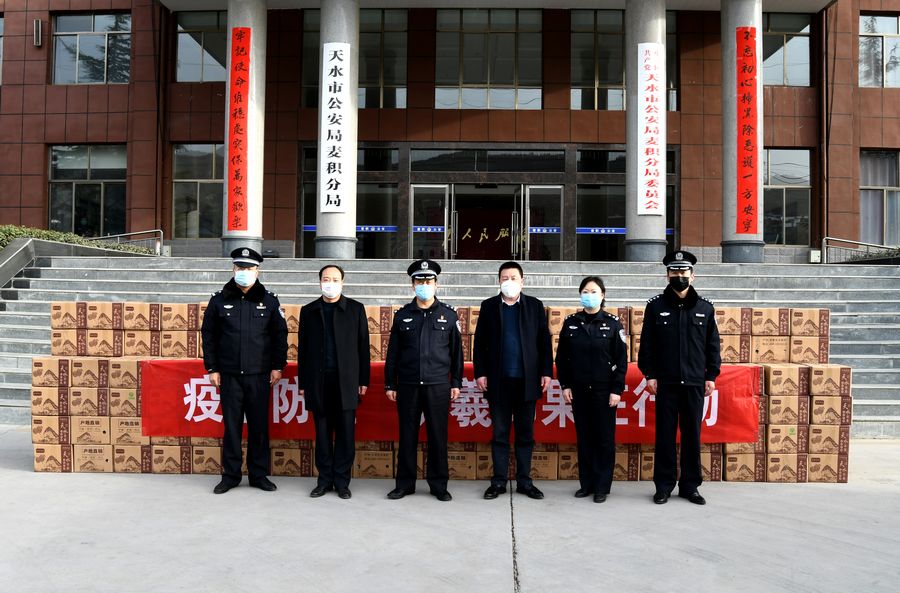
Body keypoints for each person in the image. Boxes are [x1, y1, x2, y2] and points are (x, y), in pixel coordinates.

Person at [201, 247, 288, 494]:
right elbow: (209, 335)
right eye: (240, 267)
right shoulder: (219, 300)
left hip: (259, 375)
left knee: (259, 427)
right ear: (233, 269)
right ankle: (230, 476)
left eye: (249, 268)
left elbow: (280, 335)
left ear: (257, 271)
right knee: (232, 428)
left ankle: (259, 475)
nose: (244, 272)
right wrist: (212, 368)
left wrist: (277, 366)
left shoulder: (269, 300)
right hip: (228, 375)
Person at [638, 250, 721, 506]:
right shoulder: (656, 306)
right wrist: (650, 374)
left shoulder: (705, 308)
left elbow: (712, 346)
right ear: (667, 275)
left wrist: (711, 375)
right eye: (674, 271)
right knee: (664, 436)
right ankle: (663, 486)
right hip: (666, 382)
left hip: (695, 382)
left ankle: (690, 486)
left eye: (683, 271)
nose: (679, 276)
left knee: (692, 435)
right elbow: (647, 345)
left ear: (692, 276)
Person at [384, 259, 463, 502]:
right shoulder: (402, 316)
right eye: (420, 281)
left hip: (437, 385)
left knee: (437, 437)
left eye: (429, 281)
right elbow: (393, 353)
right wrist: (390, 383)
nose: (424, 285)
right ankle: (404, 484)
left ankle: (439, 485)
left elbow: (456, 353)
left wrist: (456, 382)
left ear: (436, 284)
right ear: (412, 285)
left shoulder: (449, 315)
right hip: (408, 385)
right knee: (407, 436)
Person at [473, 261, 553, 501]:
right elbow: (480, 343)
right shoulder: (489, 306)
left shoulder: (534, 306)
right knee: (500, 433)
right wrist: (480, 373)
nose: (509, 282)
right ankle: (498, 481)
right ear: (499, 281)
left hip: (527, 381)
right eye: (504, 278)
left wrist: (546, 372)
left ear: (522, 281)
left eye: (513, 278)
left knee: (525, 434)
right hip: (498, 381)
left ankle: (524, 481)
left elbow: (544, 342)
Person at [298, 264, 370, 500]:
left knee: (346, 434)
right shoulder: (309, 311)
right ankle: (324, 480)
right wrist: (303, 383)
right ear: (319, 282)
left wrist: (363, 379)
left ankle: (342, 481)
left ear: (342, 282)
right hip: (318, 381)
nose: (330, 283)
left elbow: (363, 347)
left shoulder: (355, 309)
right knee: (322, 434)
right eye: (326, 279)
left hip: (346, 382)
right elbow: (303, 350)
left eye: (335, 279)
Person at [555, 276, 628, 503]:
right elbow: (562, 358)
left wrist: (617, 389)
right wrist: (565, 385)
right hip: (579, 389)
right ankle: (586, 484)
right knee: (585, 438)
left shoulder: (613, 323)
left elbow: (621, 360)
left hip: (604, 391)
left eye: (594, 291)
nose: (589, 295)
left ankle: (601, 486)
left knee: (604, 439)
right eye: (585, 291)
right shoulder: (571, 323)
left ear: (602, 295)